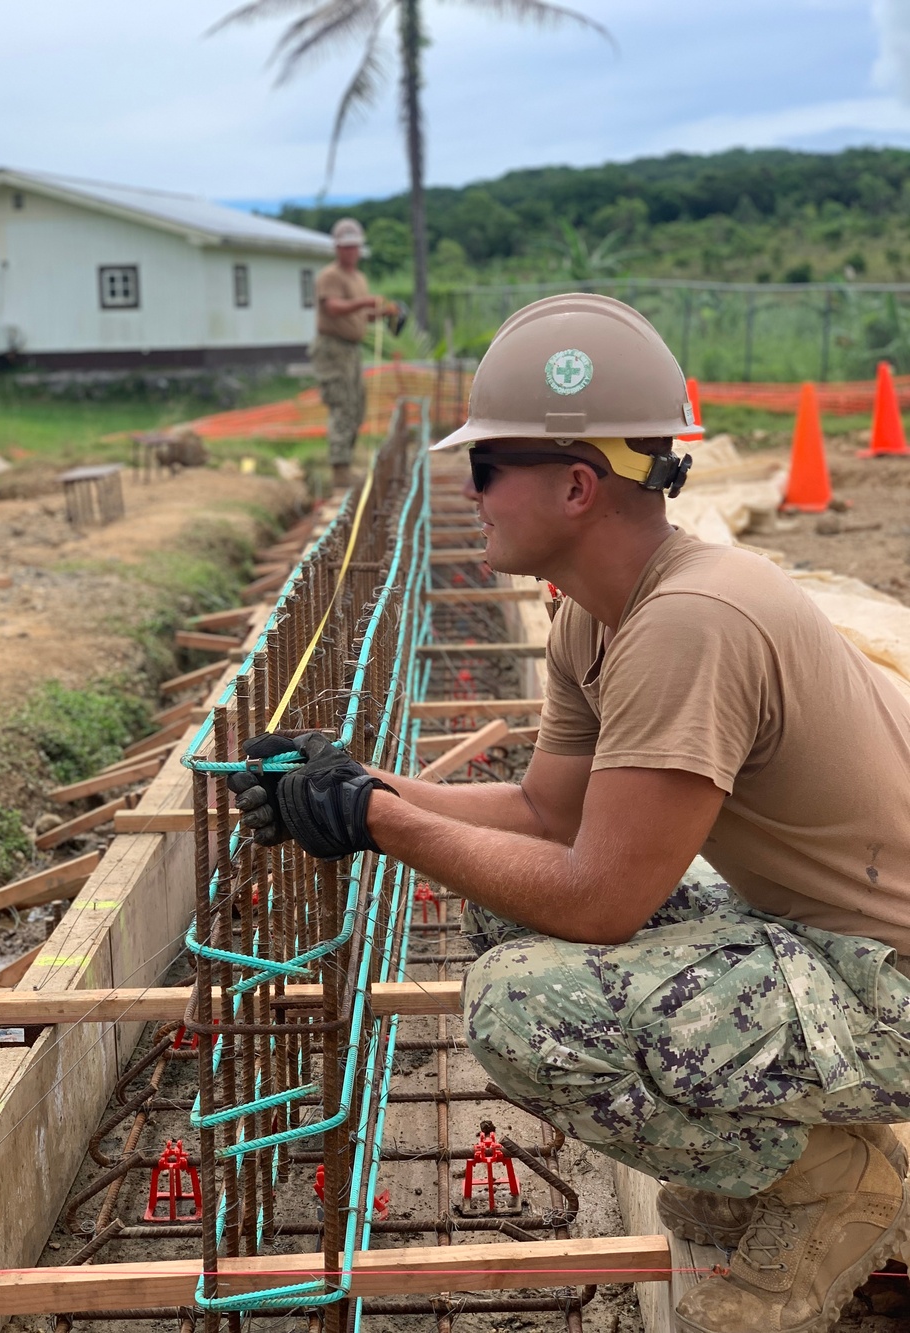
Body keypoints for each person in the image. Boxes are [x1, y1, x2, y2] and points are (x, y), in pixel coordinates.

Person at [230, 293, 910, 1333]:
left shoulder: (690, 623)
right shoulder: (602, 616)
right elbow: (548, 816)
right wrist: (356, 782)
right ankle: (783, 1160)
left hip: (891, 985)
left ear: (577, 484)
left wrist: (382, 824)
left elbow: (601, 899)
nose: (471, 491)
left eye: (486, 468)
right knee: (506, 914)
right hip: (835, 946)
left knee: (521, 1003)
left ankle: (831, 1179)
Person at [312, 217, 399, 493]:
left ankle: (346, 465)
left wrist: (380, 312)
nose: (350, 252)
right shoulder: (330, 276)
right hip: (332, 348)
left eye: (354, 247)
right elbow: (334, 308)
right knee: (342, 405)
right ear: (337, 248)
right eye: (345, 247)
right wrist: (366, 302)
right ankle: (340, 472)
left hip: (351, 350)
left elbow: (359, 315)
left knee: (357, 406)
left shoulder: (358, 278)